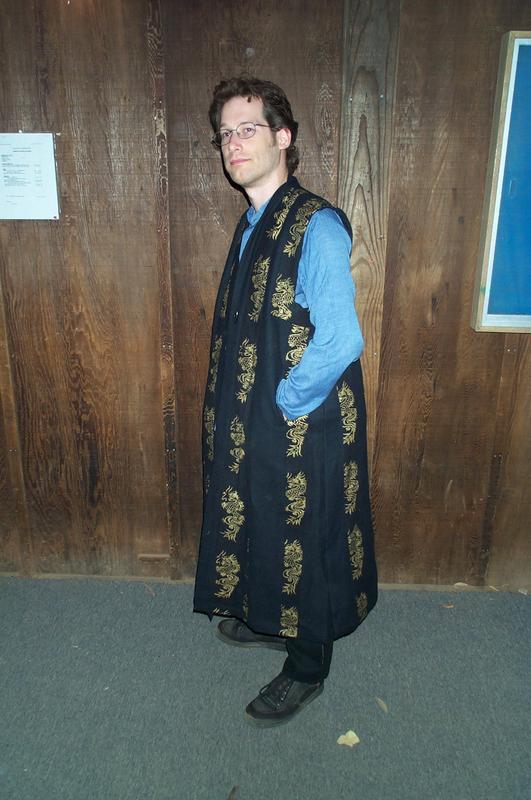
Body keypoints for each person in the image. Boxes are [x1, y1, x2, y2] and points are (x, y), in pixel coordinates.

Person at [193, 76, 377, 727]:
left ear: (283, 137)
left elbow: (341, 338)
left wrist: (287, 402)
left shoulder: (315, 225)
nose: (233, 144)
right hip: (261, 419)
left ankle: (307, 666)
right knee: (264, 522)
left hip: (304, 419)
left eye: (248, 129)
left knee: (309, 531)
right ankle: (271, 616)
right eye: (225, 134)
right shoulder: (253, 222)